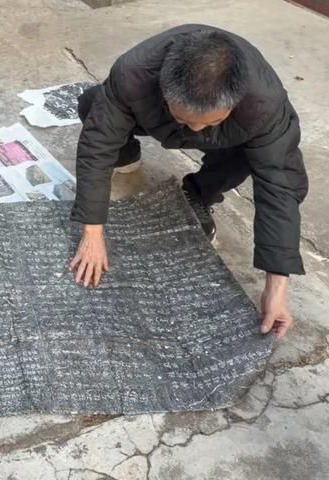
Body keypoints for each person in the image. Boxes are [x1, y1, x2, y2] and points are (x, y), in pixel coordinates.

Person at [68, 24, 308, 340]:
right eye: (184, 119)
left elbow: (279, 186)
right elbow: (97, 145)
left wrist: (277, 285)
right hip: (153, 116)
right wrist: (92, 232)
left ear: (235, 100)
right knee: (93, 105)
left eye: (211, 120)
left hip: (230, 137)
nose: (195, 131)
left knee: (251, 157)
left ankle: (198, 193)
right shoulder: (134, 74)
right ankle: (127, 155)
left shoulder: (264, 104)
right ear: (164, 90)